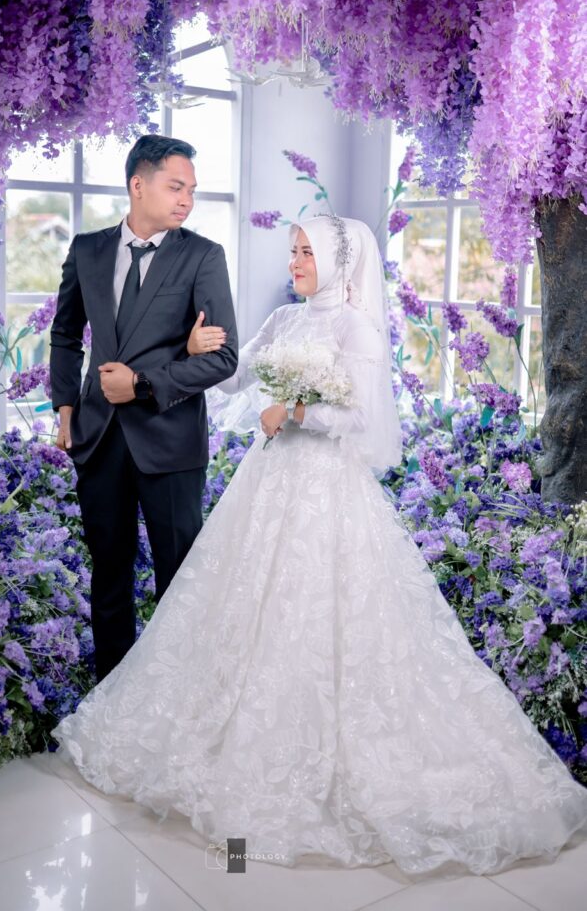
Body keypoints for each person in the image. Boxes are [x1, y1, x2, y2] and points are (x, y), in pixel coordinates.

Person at [53, 214, 587, 876]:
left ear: (338, 261)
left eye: (307, 252)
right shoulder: (283, 321)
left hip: (328, 491)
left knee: (322, 617)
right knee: (243, 610)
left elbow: (363, 419)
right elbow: (232, 379)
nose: (296, 262)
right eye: (294, 251)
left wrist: (298, 411)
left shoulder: (354, 329)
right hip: (267, 483)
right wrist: (192, 350)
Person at [49, 134, 238, 682]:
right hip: (98, 438)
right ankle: (113, 701)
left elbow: (223, 358)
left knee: (178, 581)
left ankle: (179, 697)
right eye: (176, 187)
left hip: (170, 440)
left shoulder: (203, 256)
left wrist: (143, 384)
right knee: (108, 577)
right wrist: (65, 408)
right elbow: (65, 335)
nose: (187, 200)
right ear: (138, 184)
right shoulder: (87, 250)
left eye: (192, 190)